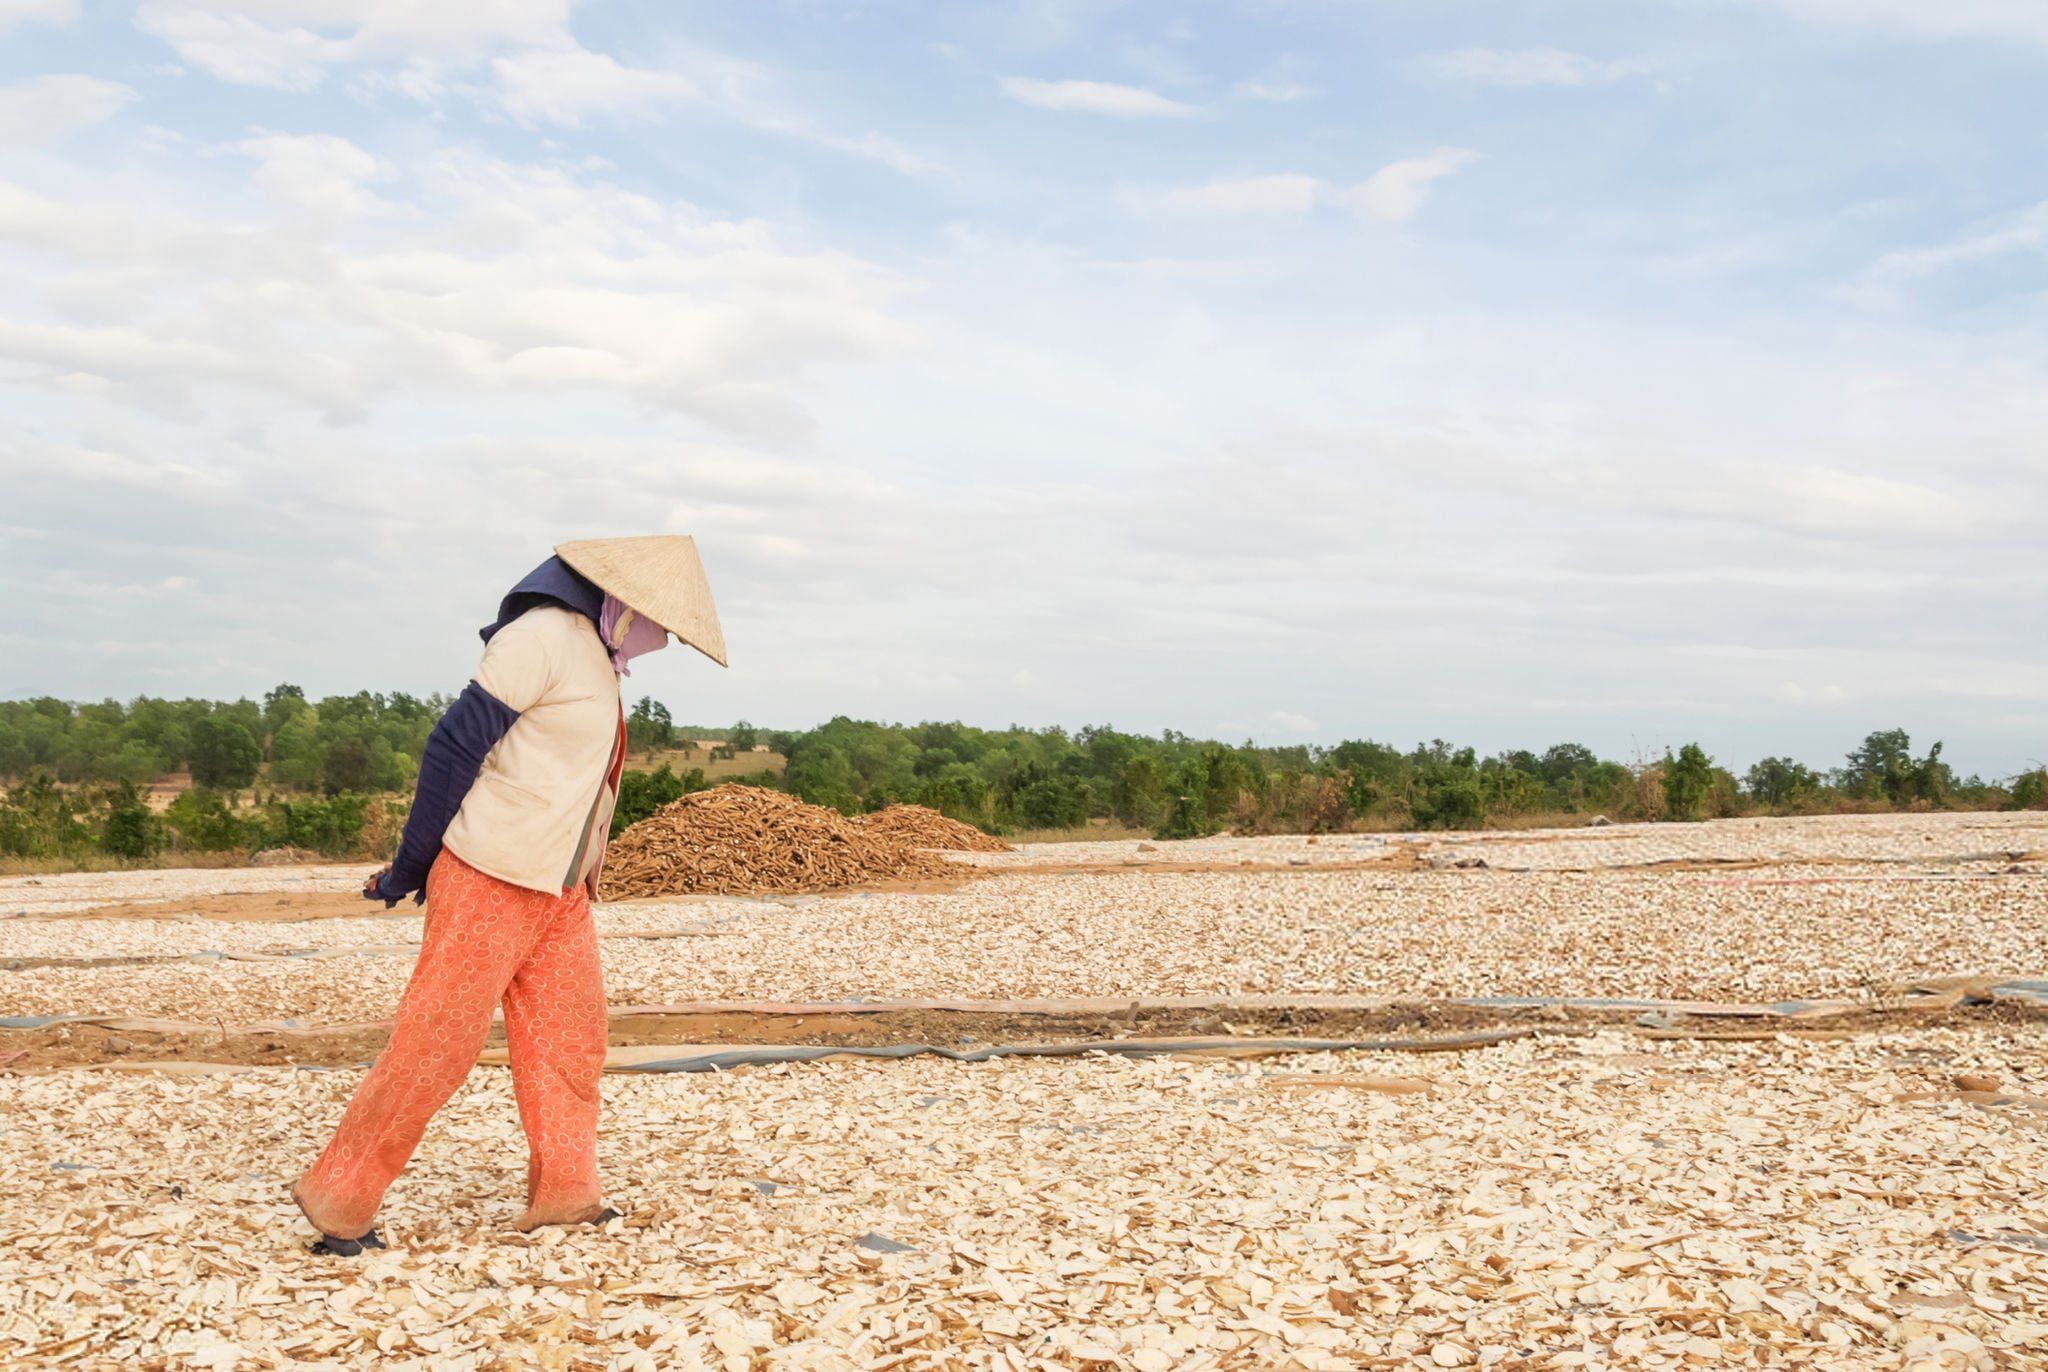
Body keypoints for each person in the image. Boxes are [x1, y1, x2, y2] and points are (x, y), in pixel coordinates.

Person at [293, 536, 725, 1254]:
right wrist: (410, 864)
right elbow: (453, 746)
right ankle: (340, 1199)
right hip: (491, 877)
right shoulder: (543, 637)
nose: (662, 638)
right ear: (618, 598)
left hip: (559, 893)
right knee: (435, 1046)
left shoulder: (599, 657)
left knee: (570, 1044)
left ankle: (567, 1197)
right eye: (658, 620)